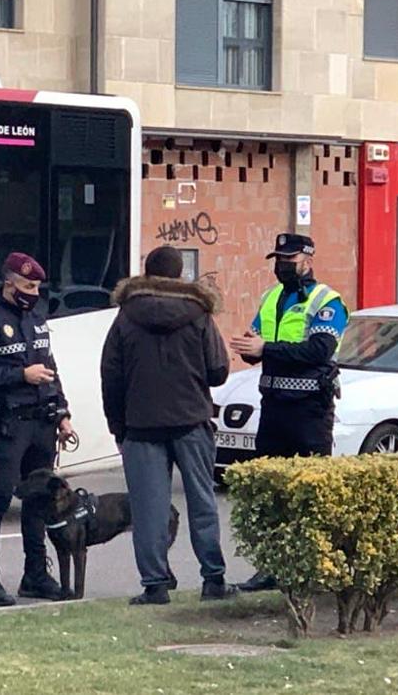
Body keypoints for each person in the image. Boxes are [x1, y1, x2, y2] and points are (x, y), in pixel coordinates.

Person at [101, 246, 238, 606]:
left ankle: (155, 585)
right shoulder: (199, 314)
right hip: (191, 421)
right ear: (180, 275)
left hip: (141, 425)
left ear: (146, 274)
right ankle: (213, 578)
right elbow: (219, 371)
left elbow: (110, 375)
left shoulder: (126, 316)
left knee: (149, 508)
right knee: (202, 501)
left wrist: (119, 426)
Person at [228, 233, 349, 593]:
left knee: (310, 495)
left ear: (308, 260)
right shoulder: (271, 298)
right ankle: (270, 568)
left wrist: (267, 348)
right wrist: (251, 348)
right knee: (271, 495)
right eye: (278, 259)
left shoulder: (327, 301)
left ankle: (313, 569)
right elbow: (261, 346)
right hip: (274, 409)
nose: (282, 265)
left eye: (289, 259)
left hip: (310, 413)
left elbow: (318, 349)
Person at [0, 252, 75, 606]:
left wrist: (62, 413)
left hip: (43, 422)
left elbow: (50, 368)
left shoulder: (37, 317)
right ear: (9, 283)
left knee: (39, 503)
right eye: (28, 285)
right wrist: (19, 375)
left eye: (38, 286)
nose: (34, 292)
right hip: (10, 424)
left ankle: (36, 576)